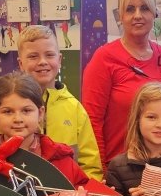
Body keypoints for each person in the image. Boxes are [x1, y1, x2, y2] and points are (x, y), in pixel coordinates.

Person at [83, 0, 161, 164]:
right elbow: (92, 122)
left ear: (155, 13)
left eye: (145, 8)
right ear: (121, 16)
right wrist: (102, 171)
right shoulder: (104, 58)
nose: (137, 16)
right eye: (130, 9)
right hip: (118, 169)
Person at [0, 73, 90, 187]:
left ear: (40, 113)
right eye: (8, 111)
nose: (18, 119)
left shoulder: (62, 161)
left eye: (26, 110)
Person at [16, 25, 103, 181]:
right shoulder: (11, 106)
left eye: (49, 55)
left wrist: (84, 192)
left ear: (60, 59)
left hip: (67, 195)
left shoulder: (74, 108)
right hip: (21, 194)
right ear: (21, 63)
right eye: (33, 56)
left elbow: (90, 165)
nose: (42, 62)